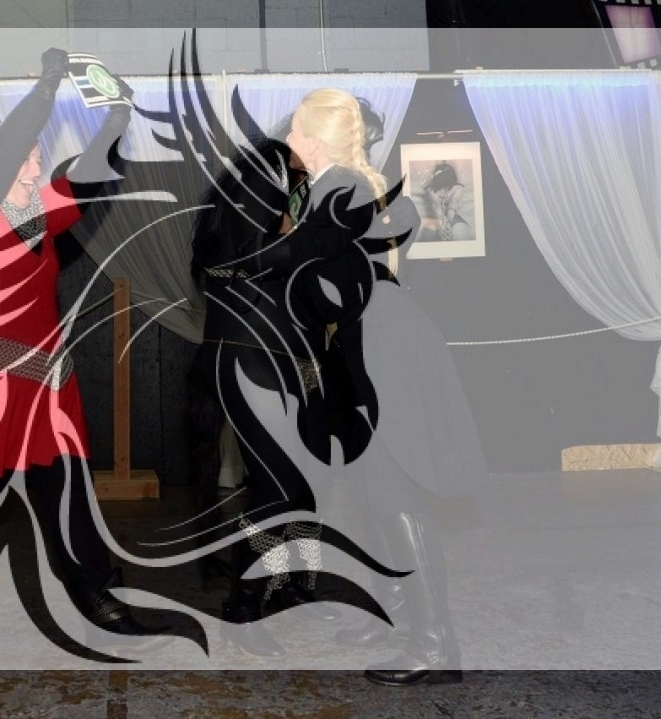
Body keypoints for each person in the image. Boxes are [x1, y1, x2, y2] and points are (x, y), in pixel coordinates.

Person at [0, 48, 175, 660]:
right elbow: (4, 152)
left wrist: (118, 117)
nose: (35, 160)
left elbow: (91, 176)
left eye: (37, 154)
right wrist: (47, 87)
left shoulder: (37, 213)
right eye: (25, 154)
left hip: (47, 382)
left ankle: (97, 600)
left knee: (69, 497)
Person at [188, 91, 416, 658]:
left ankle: (292, 582)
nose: (362, 149)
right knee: (277, 486)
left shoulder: (313, 181)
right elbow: (231, 258)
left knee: (306, 480)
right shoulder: (264, 172)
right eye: (357, 137)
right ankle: (243, 608)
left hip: (296, 353)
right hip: (253, 351)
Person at [313, 117, 486, 686]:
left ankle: (435, 645)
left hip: (385, 352)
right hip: (365, 348)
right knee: (369, 489)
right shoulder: (344, 192)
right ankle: (393, 607)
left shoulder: (346, 192)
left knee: (393, 492)